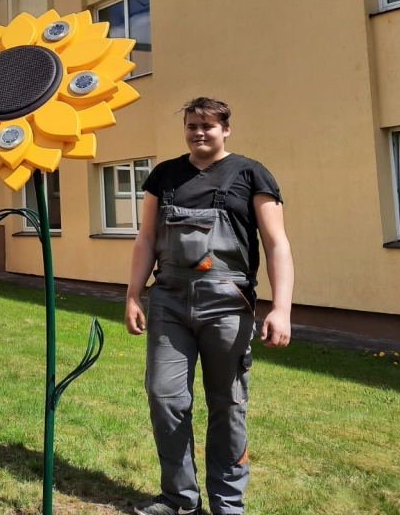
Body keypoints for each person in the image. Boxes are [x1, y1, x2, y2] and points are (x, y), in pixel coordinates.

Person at [125, 97, 294, 515]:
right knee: (164, 398)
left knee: (227, 404)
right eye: (192, 125)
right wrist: (132, 294)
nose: (199, 132)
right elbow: (146, 238)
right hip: (168, 300)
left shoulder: (250, 173)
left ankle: (227, 504)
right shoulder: (164, 175)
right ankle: (179, 500)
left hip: (227, 303)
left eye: (208, 125)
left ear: (226, 130)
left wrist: (282, 308)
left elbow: (277, 244)